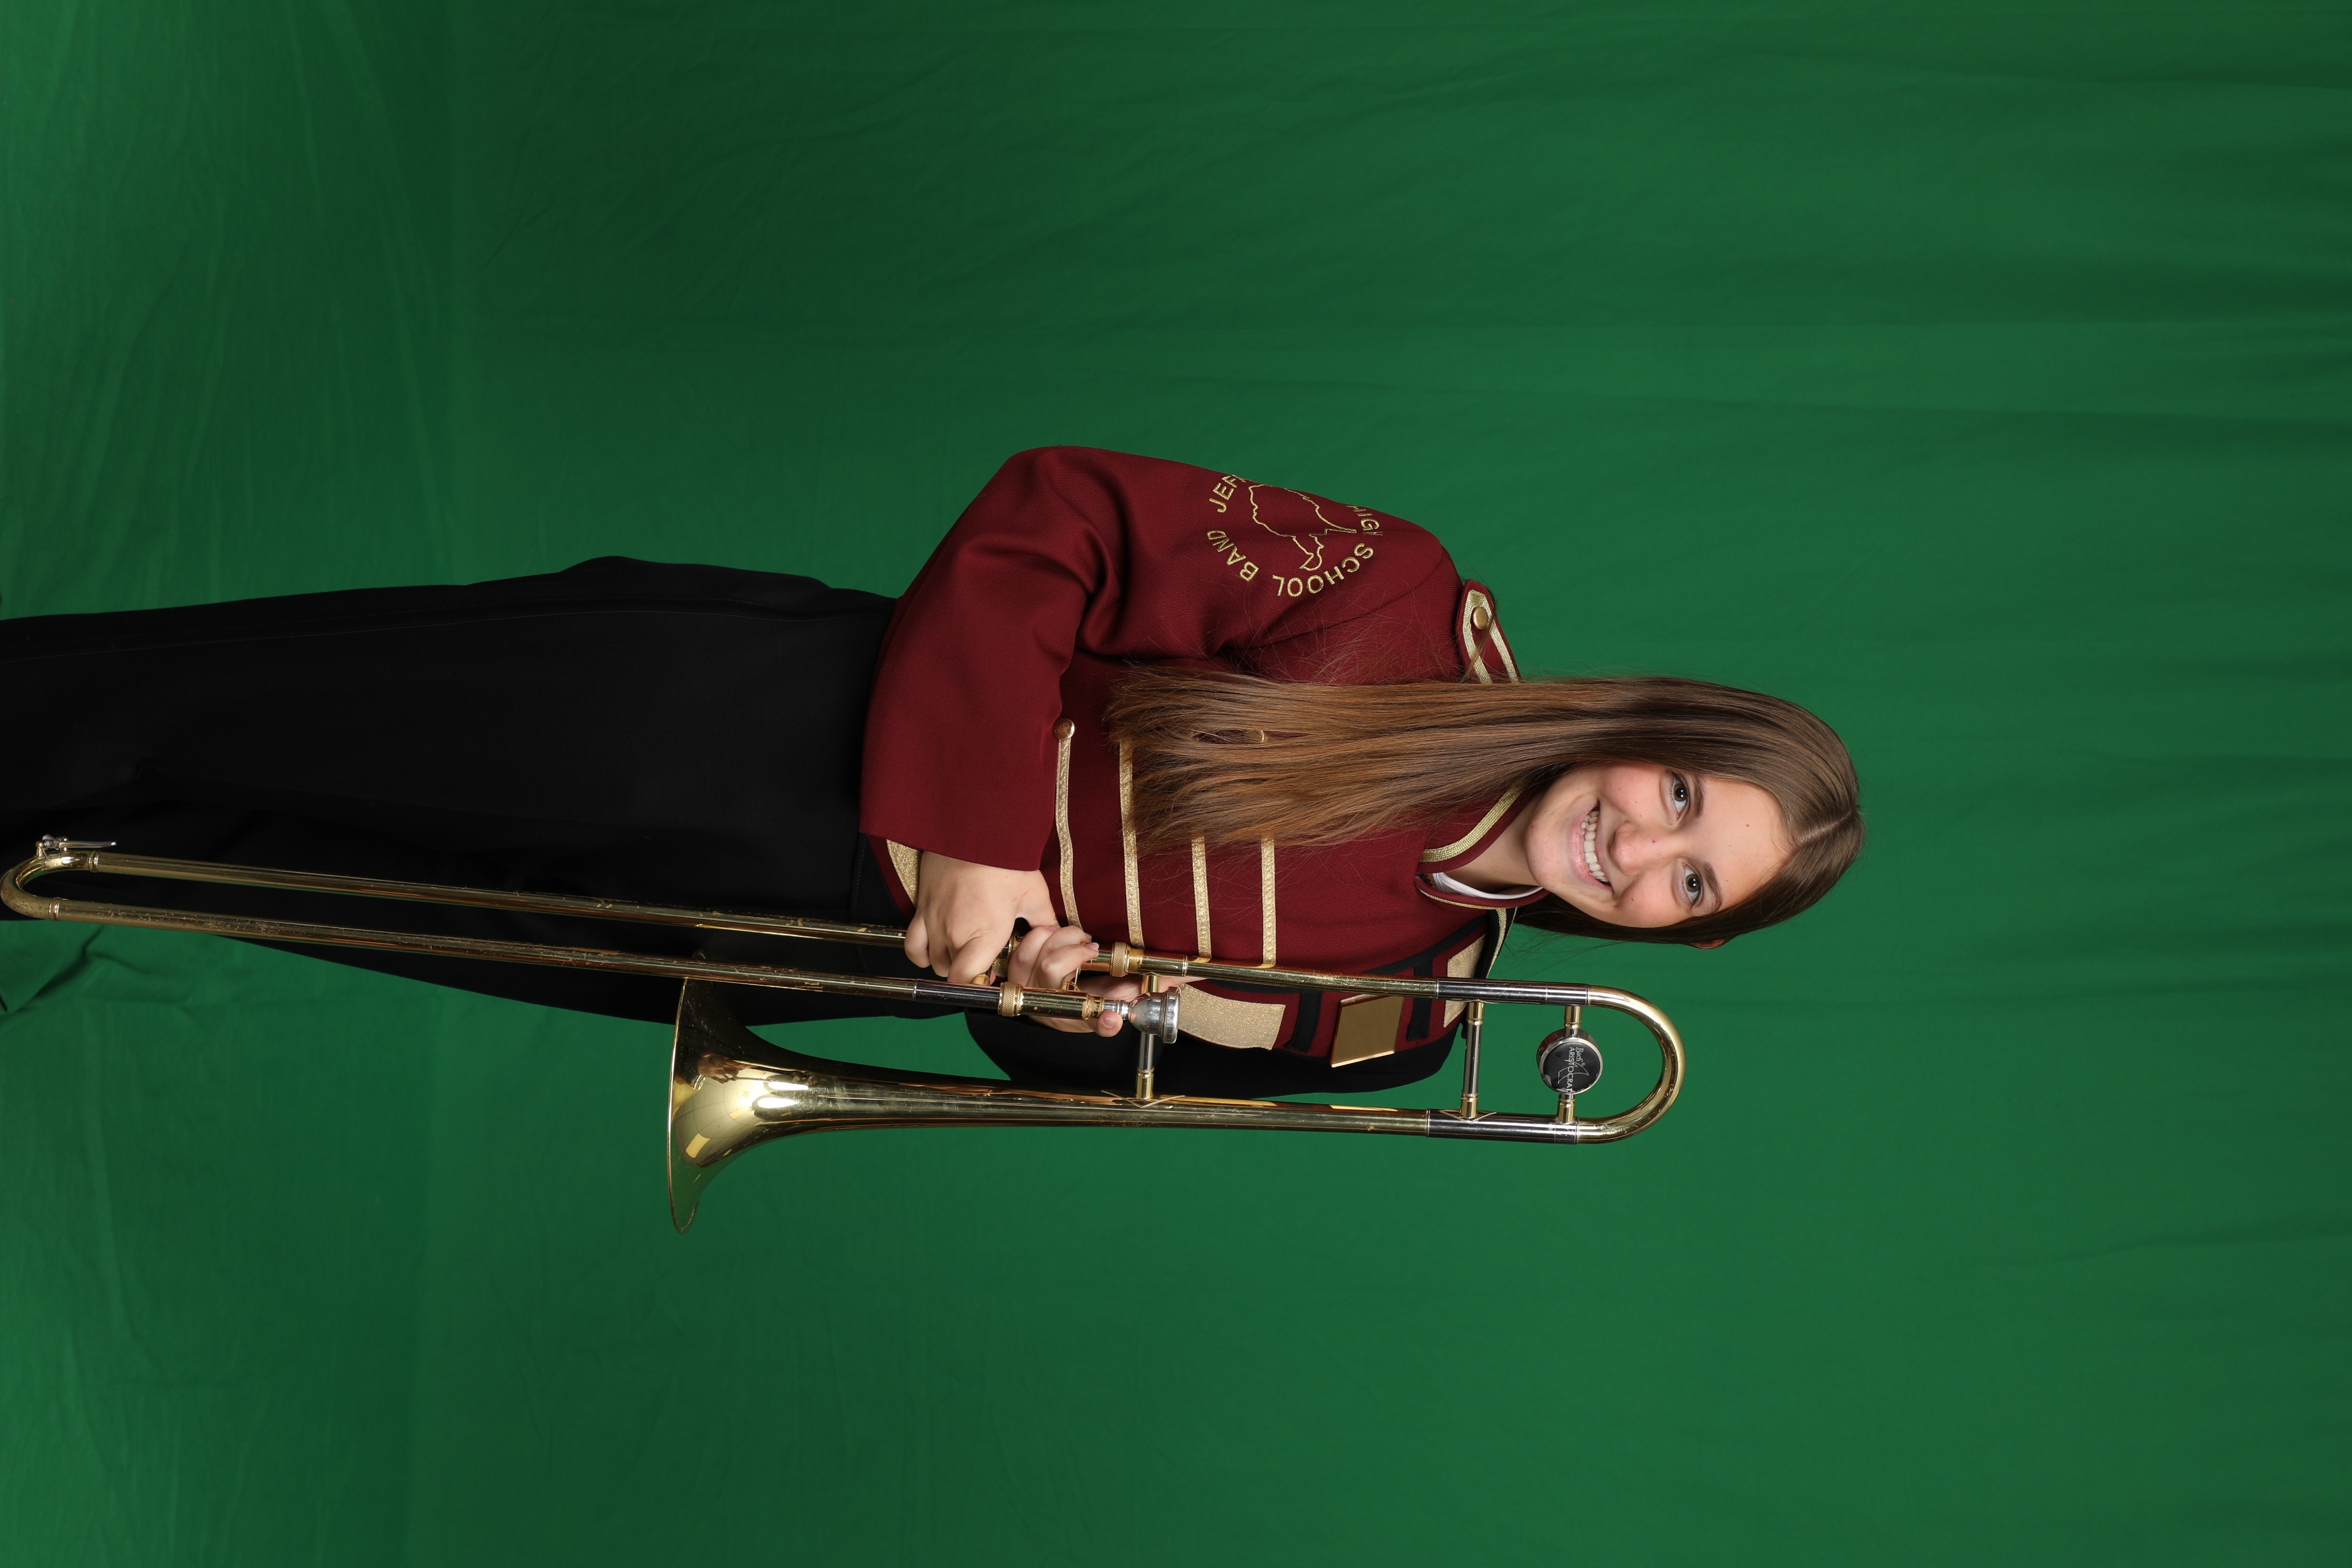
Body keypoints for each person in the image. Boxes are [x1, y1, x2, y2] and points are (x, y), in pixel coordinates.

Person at [0, 448, 1861, 1097]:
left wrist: (1066, 999)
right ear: (1653, 729)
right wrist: (975, 843)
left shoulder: (1412, 1029)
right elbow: (1058, 514)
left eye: (1694, 883)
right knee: (199, 707)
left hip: (781, 942)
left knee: (251, 865)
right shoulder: (1399, 604)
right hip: (752, 715)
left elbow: (1058, 1068)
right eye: (1683, 798)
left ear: (1681, 935)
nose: (1643, 851)